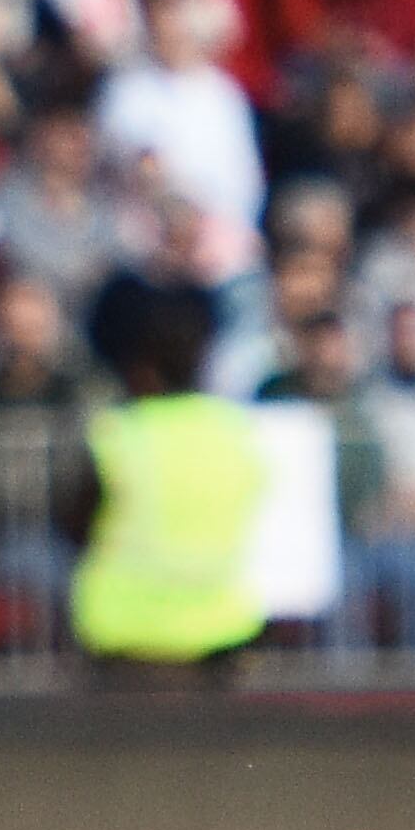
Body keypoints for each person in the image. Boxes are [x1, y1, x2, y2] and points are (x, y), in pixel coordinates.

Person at [67, 273, 268, 682]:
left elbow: (75, 523)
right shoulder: (237, 432)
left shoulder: (119, 434)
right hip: (219, 633)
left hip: (126, 636)